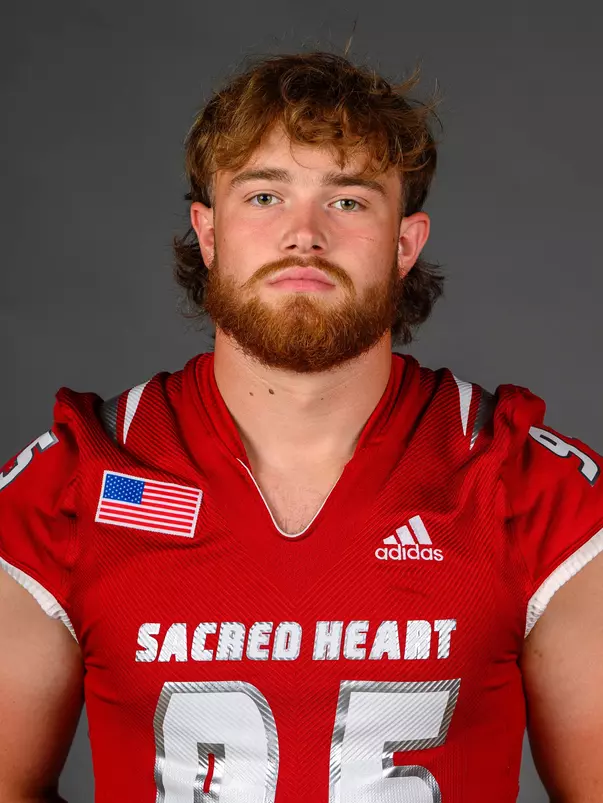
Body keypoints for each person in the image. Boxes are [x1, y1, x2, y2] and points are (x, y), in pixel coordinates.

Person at [0, 50, 602, 803]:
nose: (303, 235)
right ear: (208, 230)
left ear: (405, 243)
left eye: (347, 201)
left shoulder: (531, 488)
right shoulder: (71, 478)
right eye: (263, 197)